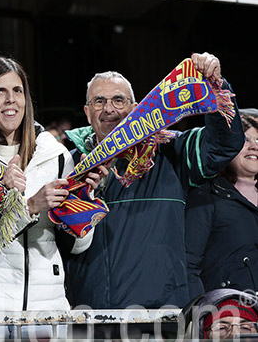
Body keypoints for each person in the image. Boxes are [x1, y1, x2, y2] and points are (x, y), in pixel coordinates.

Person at [64, 54, 244, 308]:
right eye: (99, 101)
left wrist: (215, 85)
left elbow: (224, 145)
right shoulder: (69, 165)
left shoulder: (169, 151)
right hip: (89, 312)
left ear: (135, 107)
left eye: (118, 100)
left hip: (159, 314)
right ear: (87, 111)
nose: (109, 109)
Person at [0, 56, 93, 311]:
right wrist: (29, 207)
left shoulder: (57, 156)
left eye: (17, 91)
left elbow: (77, 246)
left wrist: (83, 200)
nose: (11, 100)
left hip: (50, 307)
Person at [186, 113, 258, 297]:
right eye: (245, 139)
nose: (254, 146)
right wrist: (203, 313)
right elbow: (189, 266)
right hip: (229, 316)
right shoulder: (206, 195)